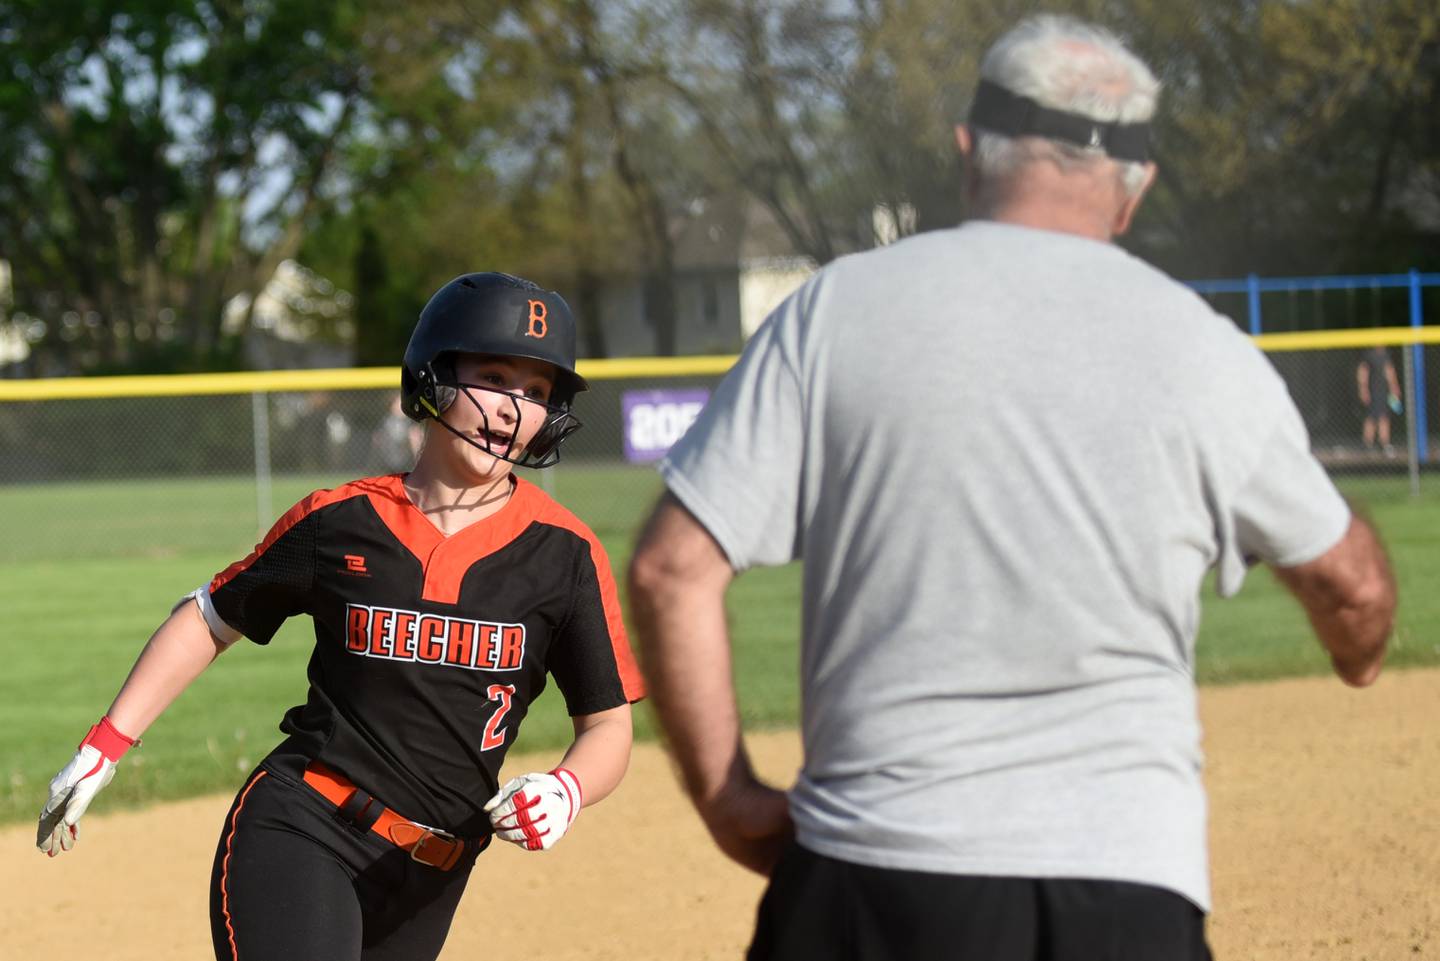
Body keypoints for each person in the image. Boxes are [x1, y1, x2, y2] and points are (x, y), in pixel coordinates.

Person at [627, 15, 1396, 961]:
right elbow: (1352, 587)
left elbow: (671, 572)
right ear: (1136, 185)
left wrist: (730, 798)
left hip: (870, 879)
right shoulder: (1204, 348)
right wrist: (1360, 654)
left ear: (968, 151)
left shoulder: (836, 309)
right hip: (1124, 886)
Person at [37, 272, 645, 961]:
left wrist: (568, 787)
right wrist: (104, 747)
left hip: (430, 875)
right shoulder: (343, 520)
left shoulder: (565, 553)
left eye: (536, 393)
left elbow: (607, 725)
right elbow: (209, 617)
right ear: (436, 374)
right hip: (305, 826)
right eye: (495, 376)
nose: (512, 409)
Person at [1357, 345, 1402, 454]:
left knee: (1384, 417)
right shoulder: (1369, 356)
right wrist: (1363, 389)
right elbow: (1363, 372)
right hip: (1373, 391)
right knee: (1371, 417)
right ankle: (1367, 444)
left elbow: (1389, 371)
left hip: (1384, 391)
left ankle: (1385, 444)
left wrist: (1394, 387)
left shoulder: (1385, 355)